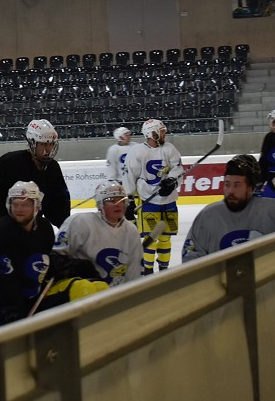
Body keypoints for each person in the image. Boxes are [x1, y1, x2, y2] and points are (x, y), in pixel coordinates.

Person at [0, 181, 103, 329]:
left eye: (25, 205)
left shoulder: (44, 228)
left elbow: (44, 262)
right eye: (15, 204)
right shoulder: (0, 232)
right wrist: (11, 310)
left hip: (36, 299)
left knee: (98, 287)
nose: (19, 209)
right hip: (4, 310)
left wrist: (64, 266)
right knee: (83, 290)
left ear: (36, 207)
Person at [0, 119, 71, 238]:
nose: (47, 150)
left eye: (51, 144)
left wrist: (66, 225)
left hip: (31, 229)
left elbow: (58, 201)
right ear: (32, 143)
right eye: (43, 144)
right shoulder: (10, 162)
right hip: (4, 230)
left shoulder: (53, 168)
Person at [182, 156, 275, 262]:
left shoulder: (273, 211)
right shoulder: (208, 216)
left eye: (237, 185)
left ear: (251, 188)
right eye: (227, 184)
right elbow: (190, 259)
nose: (230, 191)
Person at [123, 119, 184, 274]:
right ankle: (148, 271)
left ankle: (164, 269)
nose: (165, 133)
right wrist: (129, 200)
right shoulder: (137, 152)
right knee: (151, 239)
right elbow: (130, 175)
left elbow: (178, 169)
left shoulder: (170, 149)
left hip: (169, 200)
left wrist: (171, 182)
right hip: (148, 201)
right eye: (161, 131)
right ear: (152, 133)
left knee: (165, 238)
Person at [55, 182, 143, 286]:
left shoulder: (131, 231)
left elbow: (134, 272)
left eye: (122, 200)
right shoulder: (79, 223)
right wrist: (74, 268)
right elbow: (56, 257)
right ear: (100, 204)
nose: (118, 204)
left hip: (115, 295)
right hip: (82, 293)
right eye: (111, 200)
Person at [104, 127, 137, 222]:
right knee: (128, 209)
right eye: (126, 135)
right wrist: (112, 181)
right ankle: (131, 225)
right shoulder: (113, 150)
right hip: (123, 183)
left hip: (136, 182)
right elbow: (111, 166)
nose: (129, 136)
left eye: (129, 134)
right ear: (120, 137)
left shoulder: (136, 146)